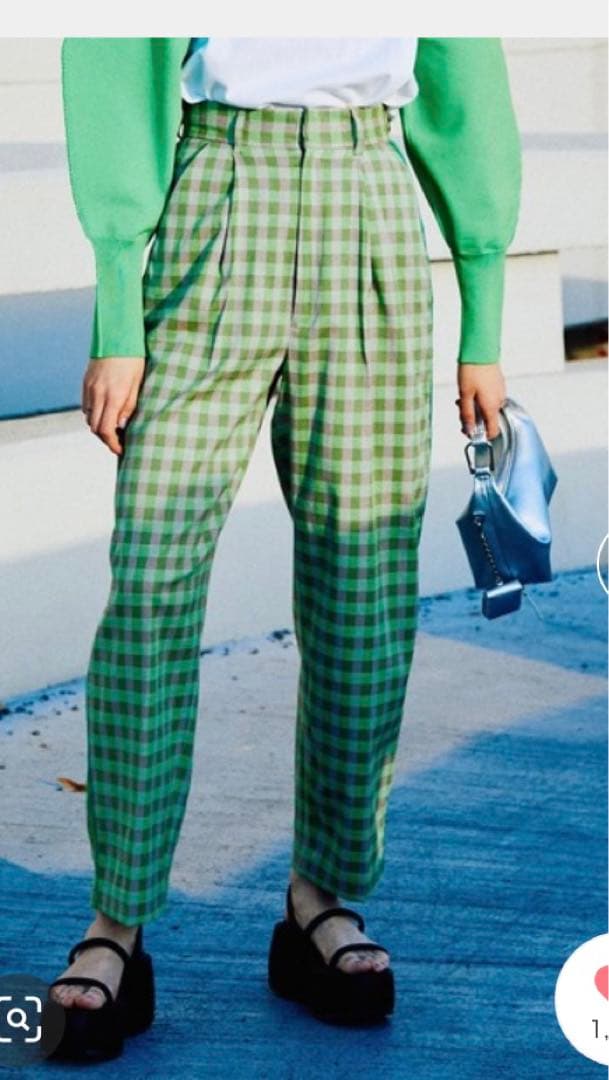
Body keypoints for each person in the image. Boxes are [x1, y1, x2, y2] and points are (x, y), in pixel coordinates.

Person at [47, 36, 521, 1056]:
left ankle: (321, 901)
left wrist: (483, 315)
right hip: (215, 191)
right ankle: (115, 922)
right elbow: (117, 52)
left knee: (364, 591)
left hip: (370, 197)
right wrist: (118, 310)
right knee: (152, 584)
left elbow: (463, 76)